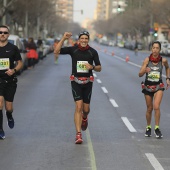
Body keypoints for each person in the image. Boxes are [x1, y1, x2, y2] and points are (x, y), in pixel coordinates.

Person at [54, 31, 101, 144]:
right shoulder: (73, 50)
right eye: (82, 38)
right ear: (79, 39)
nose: (84, 40)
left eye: (86, 38)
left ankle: (85, 117)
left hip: (88, 83)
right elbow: (56, 51)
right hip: (75, 82)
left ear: (88, 40)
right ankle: (78, 134)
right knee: (78, 107)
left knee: (86, 109)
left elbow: (99, 67)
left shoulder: (92, 52)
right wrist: (63, 38)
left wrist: (92, 67)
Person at [138, 41, 170, 139]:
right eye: (153, 48)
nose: (155, 50)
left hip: (158, 86)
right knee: (149, 108)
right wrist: (145, 70)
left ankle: (157, 128)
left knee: (156, 106)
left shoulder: (163, 61)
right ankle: (148, 127)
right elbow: (140, 74)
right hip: (148, 86)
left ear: (160, 50)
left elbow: (167, 68)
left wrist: (168, 78)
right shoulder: (147, 60)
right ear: (151, 49)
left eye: (157, 48)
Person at [0, 25, 23, 139]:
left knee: (8, 107)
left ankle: (9, 115)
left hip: (10, 81)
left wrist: (13, 70)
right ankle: (0, 130)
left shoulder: (13, 48)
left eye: (5, 32)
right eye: (0, 32)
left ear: (8, 35)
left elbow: (20, 63)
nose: (2, 34)